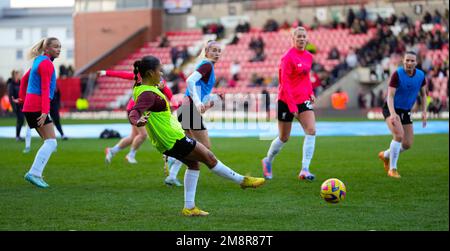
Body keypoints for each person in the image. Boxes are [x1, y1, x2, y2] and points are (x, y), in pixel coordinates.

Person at [128, 55, 265, 216]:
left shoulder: (140, 88)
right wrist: (137, 121)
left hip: (165, 141)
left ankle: (189, 207)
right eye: (160, 70)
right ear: (151, 73)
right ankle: (242, 181)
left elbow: (141, 98)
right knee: (210, 158)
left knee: (194, 165)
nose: (162, 73)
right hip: (173, 138)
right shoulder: (148, 94)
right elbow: (134, 111)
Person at [164, 40, 224, 187]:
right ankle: (172, 155)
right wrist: (198, 103)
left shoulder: (206, 66)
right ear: (206, 51)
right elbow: (190, 81)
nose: (216, 53)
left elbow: (198, 89)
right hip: (190, 108)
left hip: (186, 108)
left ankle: (172, 175)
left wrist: (210, 100)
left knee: (189, 146)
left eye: (219, 51)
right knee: (205, 148)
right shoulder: (207, 65)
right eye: (213, 50)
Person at [261, 27, 317, 181]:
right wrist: (292, 106)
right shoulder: (287, 58)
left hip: (303, 98)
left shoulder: (309, 57)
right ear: (293, 39)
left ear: (307, 39)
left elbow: (306, 78)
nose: (301, 39)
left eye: (303, 36)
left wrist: (310, 92)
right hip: (286, 99)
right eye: (298, 36)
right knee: (284, 137)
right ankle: (268, 161)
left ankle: (305, 169)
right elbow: (285, 84)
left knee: (311, 130)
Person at [99, 70, 173, 164]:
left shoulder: (159, 80)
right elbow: (123, 74)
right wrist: (106, 73)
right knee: (143, 134)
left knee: (133, 136)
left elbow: (168, 93)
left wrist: (176, 103)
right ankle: (130, 155)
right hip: (134, 110)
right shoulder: (142, 77)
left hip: (138, 109)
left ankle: (112, 151)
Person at [18, 37, 61, 188]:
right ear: (47, 49)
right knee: (51, 142)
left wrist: (22, 98)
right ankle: (34, 173)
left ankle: (36, 173)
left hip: (30, 106)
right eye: (55, 47)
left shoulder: (38, 60)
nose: (59, 49)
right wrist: (45, 111)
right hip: (37, 107)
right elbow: (44, 89)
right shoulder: (47, 64)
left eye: (60, 47)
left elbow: (24, 80)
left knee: (48, 142)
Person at [378, 51, 428, 178]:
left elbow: (423, 94)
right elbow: (390, 96)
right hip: (391, 108)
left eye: (412, 61)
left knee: (407, 144)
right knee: (399, 135)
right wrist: (393, 114)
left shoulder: (421, 75)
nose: (409, 63)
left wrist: (424, 111)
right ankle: (392, 169)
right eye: (407, 60)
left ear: (416, 63)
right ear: (403, 61)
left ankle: (386, 155)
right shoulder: (397, 74)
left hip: (405, 110)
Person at [7, 70, 25, 141]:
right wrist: (14, 106)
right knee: (20, 120)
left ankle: (18, 136)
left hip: (21, 104)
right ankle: (17, 136)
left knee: (21, 120)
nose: (18, 76)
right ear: (14, 75)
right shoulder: (11, 84)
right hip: (16, 105)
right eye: (17, 74)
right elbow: (11, 96)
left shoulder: (19, 83)